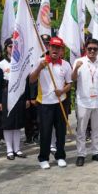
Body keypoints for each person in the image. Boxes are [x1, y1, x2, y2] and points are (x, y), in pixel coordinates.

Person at [31, 37, 73, 169]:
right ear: (49, 47)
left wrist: (62, 91)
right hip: (44, 103)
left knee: (61, 131)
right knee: (45, 132)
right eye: (53, 47)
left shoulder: (65, 64)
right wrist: (39, 68)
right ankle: (43, 158)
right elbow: (31, 80)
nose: (55, 50)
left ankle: (60, 156)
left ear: (61, 50)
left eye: (58, 48)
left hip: (60, 102)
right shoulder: (40, 61)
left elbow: (69, 84)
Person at [71, 38, 98, 166]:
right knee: (81, 130)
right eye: (90, 48)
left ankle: (96, 152)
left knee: (97, 129)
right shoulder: (79, 61)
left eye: (95, 49)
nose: (92, 51)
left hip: (97, 101)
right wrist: (76, 68)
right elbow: (72, 79)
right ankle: (81, 154)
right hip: (83, 101)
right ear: (85, 49)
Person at [0, 38, 27, 161]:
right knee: (8, 123)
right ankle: (9, 150)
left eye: (15, 46)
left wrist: (27, 98)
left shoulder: (21, 62)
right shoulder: (1, 64)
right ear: (6, 48)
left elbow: (26, 81)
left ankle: (17, 149)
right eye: (10, 46)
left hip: (19, 94)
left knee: (17, 123)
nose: (12, 49)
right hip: (6, 93)